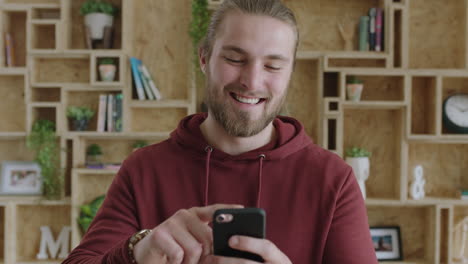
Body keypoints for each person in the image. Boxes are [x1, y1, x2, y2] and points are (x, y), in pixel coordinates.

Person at [63, 0, 378, 263]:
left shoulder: (333, 180)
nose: (252, 82)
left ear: (290, 71)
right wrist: (137, 250)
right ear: (204, 58)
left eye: (273, 66)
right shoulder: (143, 170)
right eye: (234, 58)